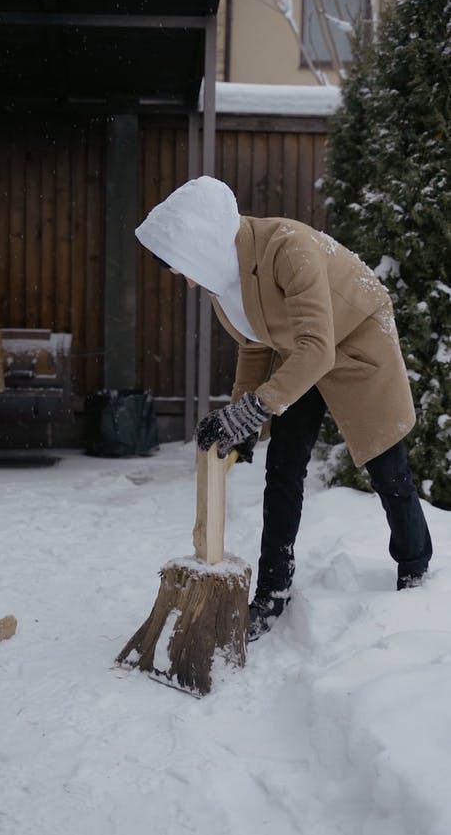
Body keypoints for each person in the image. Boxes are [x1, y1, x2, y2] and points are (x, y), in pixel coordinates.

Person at [135, 176, 433, 640]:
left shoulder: (287, 248)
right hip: (303, 352)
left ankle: (415, 567)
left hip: (354, 339)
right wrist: (242, 421)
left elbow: (320, 348)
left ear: (202, 243)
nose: (183, 278)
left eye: (181, 265)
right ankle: (273, 592)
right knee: (284, 468)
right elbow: (254, 346)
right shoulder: (223, 281)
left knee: (386, 465)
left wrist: (256, 408)